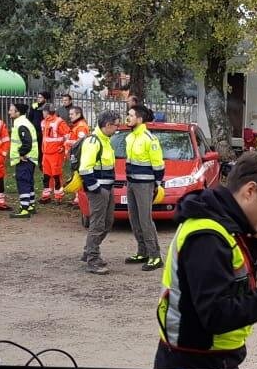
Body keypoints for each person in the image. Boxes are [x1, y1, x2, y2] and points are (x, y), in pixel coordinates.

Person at [153, 152, 257, 369]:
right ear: (250, 191)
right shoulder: (207, 236)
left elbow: (240, 283)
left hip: (213, 359)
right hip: (192, 368)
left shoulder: (227, 224)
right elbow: (218, 315)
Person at [77, 111, 120, 275]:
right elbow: (85, 168)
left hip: (106, 188)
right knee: (98, 224)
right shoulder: (93, 142)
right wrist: (96, 189)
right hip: (99, 190)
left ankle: (89, 251)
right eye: (116, 125)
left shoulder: (105, 140)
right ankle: (93, 259)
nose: (117, 129)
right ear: (108, 125)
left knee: (107, 223)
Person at [124, 105, 165, 270]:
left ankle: (155, 256)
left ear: (139, 119)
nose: (128, 117)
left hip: (145, 185)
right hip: (132, 183)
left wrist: (157, 184)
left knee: (145, 220)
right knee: (134, 219)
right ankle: (142, 252)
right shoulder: (130, 137)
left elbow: (158, 164)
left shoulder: (149, 138)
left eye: (131, 115)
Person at [6, 102, 39, 218]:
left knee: (23, 182)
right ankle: (30, 205)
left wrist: (21, 154)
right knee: (28, 181)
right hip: (30, 158)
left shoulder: (21, 124)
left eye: (11, 110)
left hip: (25, 159)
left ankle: (24, 209)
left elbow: (27, 142)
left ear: (18, 112)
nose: (9, 112)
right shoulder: (23, 122)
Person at [40, 100, 71, 203]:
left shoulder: (59, 122)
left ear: (47, 112)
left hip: (56, 153)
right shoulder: (44, 122)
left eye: (43, 111)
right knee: (46, 175)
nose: (42, 113)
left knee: (56, 175)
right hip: (46, 153)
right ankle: (46, 195)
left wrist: (63, 147)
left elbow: (67, 136)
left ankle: (58, 196)